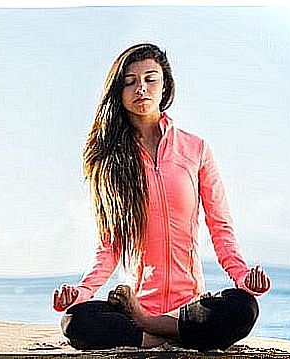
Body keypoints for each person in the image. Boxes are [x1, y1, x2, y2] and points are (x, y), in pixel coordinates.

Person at [52, 43, 271, 351]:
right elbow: (110, 245)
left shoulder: (195, 149)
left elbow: (221, 227)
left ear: (165, 84)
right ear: (119, 91)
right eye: (129, 81)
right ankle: (159, 331)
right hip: (136, 302)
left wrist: (243, 276)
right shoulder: (111, 160)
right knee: (75, 321)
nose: (140, 88)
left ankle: (151, 329)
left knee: (243, 308)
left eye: (150, 78)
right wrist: (83, 291)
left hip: (190, 308)